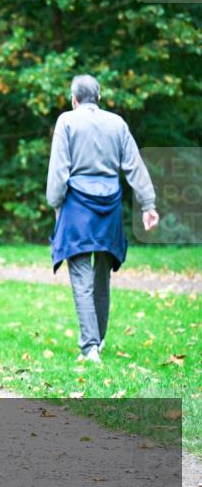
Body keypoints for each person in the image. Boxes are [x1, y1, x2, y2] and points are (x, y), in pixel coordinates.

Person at [47, 74, 160, 363]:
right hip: (109, 208)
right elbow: (134, 165)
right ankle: (98, 339)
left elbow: (59, 170)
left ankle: (90, 348)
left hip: (77, 209)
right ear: (99, 97)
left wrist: (55, 202)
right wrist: (148, 204)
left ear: (74, 99)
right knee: (101, 278)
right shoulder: (117, 124)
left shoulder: (66, 122)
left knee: (81, 278)